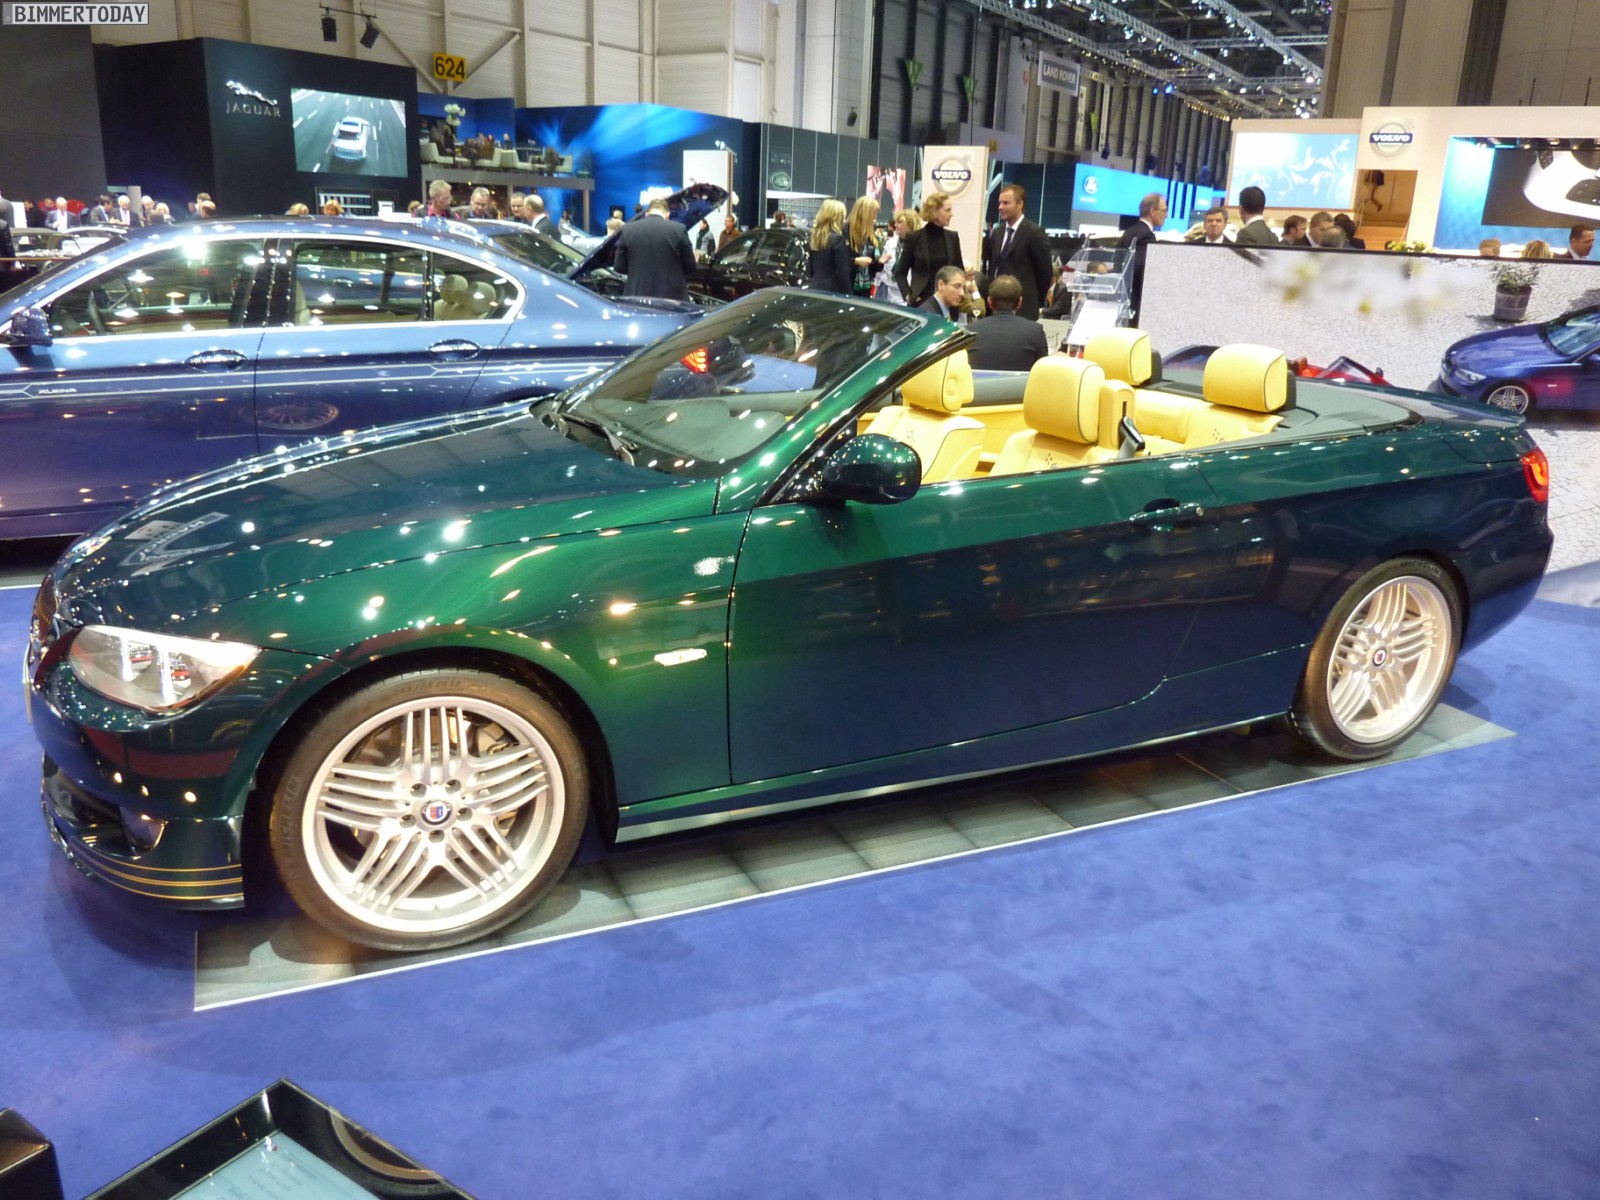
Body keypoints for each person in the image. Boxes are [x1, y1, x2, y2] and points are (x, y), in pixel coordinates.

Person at [983, 182, 1053, 320]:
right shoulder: (997, 233)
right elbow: (993, 269)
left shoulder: (1034, 233)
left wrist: (1035, 300)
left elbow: (1045, 273)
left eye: (1006, 203)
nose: (1000, 207)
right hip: (995, 307)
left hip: (1024, 308)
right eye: (999, 203)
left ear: (1020, 204)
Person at [615, 196, 697, 300]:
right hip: (671, 299)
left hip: (636, 297)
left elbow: (619, 267)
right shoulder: (678, 230)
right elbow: (690, 266)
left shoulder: (627, 230)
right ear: (667, 214)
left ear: (646, 214)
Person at [894, 191, 963, 308]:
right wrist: (908, 295)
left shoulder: (953, 237)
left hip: (948, 302)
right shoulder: (914, 238)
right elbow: (900, 272)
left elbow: (959, 270)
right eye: (947, 210)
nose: (951, 214)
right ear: (934, 211)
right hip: (921, 302)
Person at [967, 275, 1048, 372]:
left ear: (989, 302)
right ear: (1019, 303)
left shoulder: (969, 331)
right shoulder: (1035, 332)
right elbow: (1043, 370)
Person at [806, 198, 853, 294]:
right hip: (832, 291)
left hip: (815, 287)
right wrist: (849, 295)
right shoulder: (838, 239)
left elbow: (810, 269)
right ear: (837, 217)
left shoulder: (815, 238)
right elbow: (842, 272)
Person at [875, 208, 918, 304]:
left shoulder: (919, 245)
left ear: (910, 223)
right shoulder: (890, 243)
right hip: (885, 291)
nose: (895, 225)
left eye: (899, 222)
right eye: (895, 222)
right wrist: (876, 287)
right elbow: (881, 270)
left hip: (906, 294)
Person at [846, 196, 880, 297]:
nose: (875, 217)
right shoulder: (845, 232)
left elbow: (872, 267)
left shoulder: (870, 237)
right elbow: (838, 262)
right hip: (847, 288)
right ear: (865, 213)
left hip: (864, 290)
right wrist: (855, 261)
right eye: (874, 213)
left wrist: (879, 262)